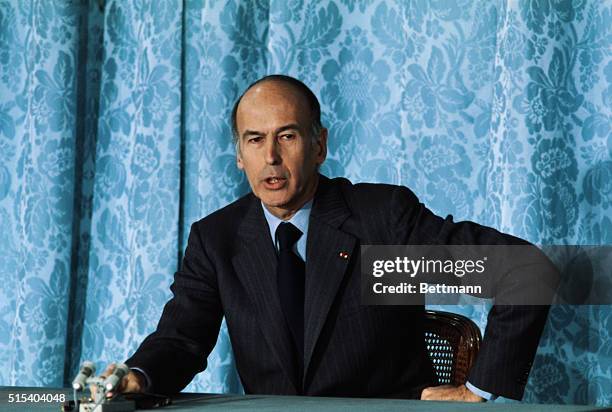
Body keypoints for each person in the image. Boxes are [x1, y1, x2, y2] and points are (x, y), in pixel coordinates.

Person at [98, 75, 554, 402]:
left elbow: (523, 273)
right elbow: (181, 340)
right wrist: (138, 376)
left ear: (319, 146)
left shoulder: (383, 222)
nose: (271, 157)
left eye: (288, 136)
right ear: (239, 156)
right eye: (255, 140)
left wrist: (478, 390)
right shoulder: (217, 238)